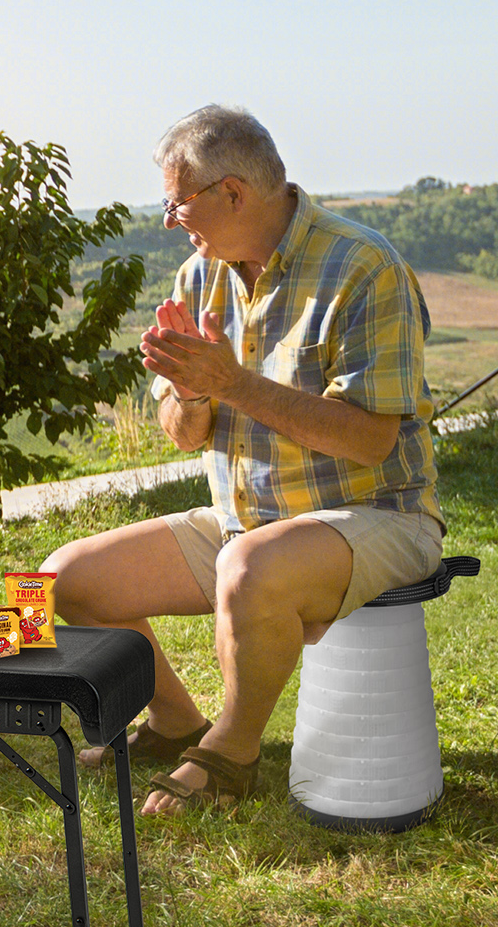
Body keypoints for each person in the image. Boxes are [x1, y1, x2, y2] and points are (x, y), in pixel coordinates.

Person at [43, 107, 444, 815]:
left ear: (232, 193)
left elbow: (371, 440)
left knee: (249, 564)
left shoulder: (363, 265)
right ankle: (174, 721)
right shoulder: (200, 277)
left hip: (377, 515)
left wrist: (235, 385)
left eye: (178, 200)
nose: (169, 218)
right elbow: (182, 431)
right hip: (243, 521)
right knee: (66, 579)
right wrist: (194, 397)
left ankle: (230, 752)